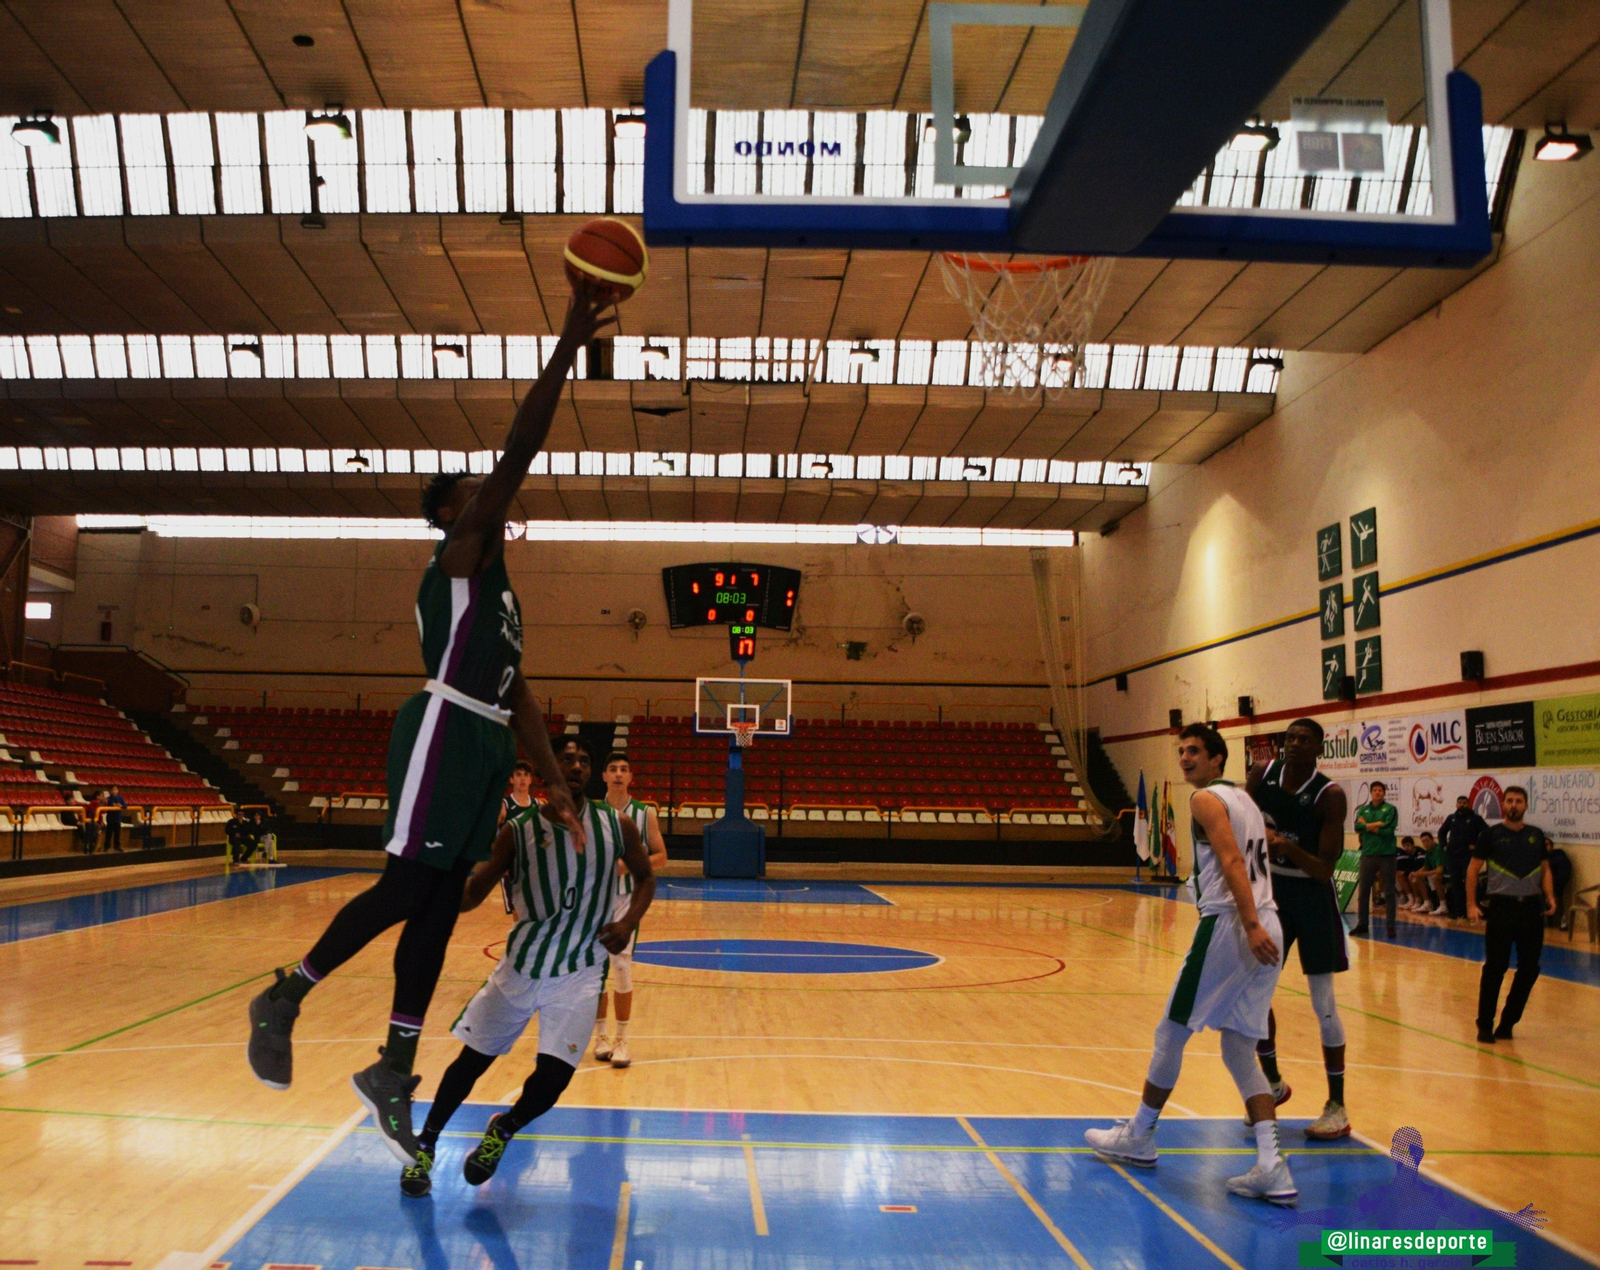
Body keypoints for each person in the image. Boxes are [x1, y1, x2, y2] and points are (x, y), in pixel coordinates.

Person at [246, 276, 621, 1164]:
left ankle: (393, 1067)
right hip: (446, 729)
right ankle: (285, 995)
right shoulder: (456, 559)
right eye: (478, 495)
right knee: (407, 889)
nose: (494, 501)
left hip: (489, 739)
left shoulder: (500, 601)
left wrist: (559, 785)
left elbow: (522, 693)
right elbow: (521, 451)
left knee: (440, 908)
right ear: (454, 515)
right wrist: (569, 341)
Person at [399, 740, 655, 1197]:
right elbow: (476, 893)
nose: (577, 766)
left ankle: (504, 1128)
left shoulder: (616, 825)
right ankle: (427, 1143)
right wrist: (431, 889)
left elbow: (646, 875)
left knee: (553, 1081)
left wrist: (629, 920)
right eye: (567, 759)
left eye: (584, 761)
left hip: (579, 971)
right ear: (544, 771)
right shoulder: (516, 831)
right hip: (521, 967)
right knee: (471, 1063)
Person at [1085, 724, 1296, 1206]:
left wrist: (1248, 925)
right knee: (1241, 1049)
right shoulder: (1245, 801)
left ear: (1218, 759)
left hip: (1232, 926)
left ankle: (1139, 1133)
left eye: (1195, 751)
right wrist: (1260, 924)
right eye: (1180, 751)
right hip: (1269, 922)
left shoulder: (1206, 800)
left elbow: (1231, 862)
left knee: (1171, 1031)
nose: (1185, 758)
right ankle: (1272, 1165)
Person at [1247, 716, 1353, 1141]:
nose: (1293, 744)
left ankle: (1337, 1105)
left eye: (1303, 739)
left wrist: (1287, 845)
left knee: (1323, 1002)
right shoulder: (1261, 775)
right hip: (1272, 896)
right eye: (1289, 737)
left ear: (1318, 749)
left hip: (1312, 900)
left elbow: (1325, 869)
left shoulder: (1329, 796)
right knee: (1255, 994)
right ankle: (1272, 1082)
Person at [593, 752, 670, 1068]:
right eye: (613, 769)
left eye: (624, 770)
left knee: (621, 967)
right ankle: (601, 1036)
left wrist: (629, 866)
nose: (618, 774)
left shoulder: (644, 813)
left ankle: (623, 1040)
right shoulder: (590, 812)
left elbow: (662, 856)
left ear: (631, 778)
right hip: (594, 900)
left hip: (627, 900)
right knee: (595, 971)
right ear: (604, 776)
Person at [1467, 786, 1557, 1043]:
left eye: (1518, 801)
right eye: (1509, 801)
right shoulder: (1491, 835)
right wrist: (1471, 904)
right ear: (1503, 805)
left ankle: (1508, 1023)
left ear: (1526, 805)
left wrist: (1549, 895)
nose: (1513, 805)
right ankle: (1485, 1024)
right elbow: (1473, 870)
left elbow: (1545, 869)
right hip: (1501, 909)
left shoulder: (1536, 835)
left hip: (1531, 910)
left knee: (1529, 969)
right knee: (1495, 968)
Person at [1351, 781, 1398, 938]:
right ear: (1371, 793)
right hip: (1368, 853)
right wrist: (1377, 824)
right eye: (1375, 790)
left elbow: (1388, 830)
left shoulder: (1391, 809)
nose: (1377, 793)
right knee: (1364, 890)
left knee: (1389, 891)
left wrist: (1368, 826)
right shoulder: (1363, 809)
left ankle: (1390, 925)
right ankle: (1362, 924)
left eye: (1380, 790)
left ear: (1384, 793)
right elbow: (1357, 827)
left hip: (1387, 854)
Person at [1439, 795, 1487, 919]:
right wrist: (1444, 845)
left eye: (1464, 802)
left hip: (1468, 856)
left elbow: (1487, 833)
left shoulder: (1475, 818)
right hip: (1453, 856)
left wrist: (1477, 845)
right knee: (1456, 884)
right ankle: (1458, 912)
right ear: (1456, 804)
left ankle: (1472, 911)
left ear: (1468, 804)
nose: (1461, 805)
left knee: (1470, 883)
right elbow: (1441, 832)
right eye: (1459, 802)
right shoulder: (1451, 818)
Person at [1406, 831, 1447, 914]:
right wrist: (1415, 873)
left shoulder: (1438, 849)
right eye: (1423, 841)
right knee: (1415, 876)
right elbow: (1425, 867)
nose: (1425, 843)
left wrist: (1421, 874)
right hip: (1435, 873)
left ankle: (1443, 905)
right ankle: (1426, 902)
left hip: (1447, 873)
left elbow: (1439, 870)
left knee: (1435, 877)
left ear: (1433, 840)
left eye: (1427, 840)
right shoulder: (1428, 851)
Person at [1394, 836, 1423, 908]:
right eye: (1404, 846)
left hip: (1421, 874)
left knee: (1410, 876)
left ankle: (1418, 900)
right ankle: (1410, 899)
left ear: (1413, 844)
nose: (1406, 848)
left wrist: (1405, 872)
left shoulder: (1420, 852)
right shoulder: (1408, 855)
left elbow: (1419, 867)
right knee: (1398, 875)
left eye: (1408, 845)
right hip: (1412, 873)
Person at [103, 786, 127, 851]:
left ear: (118, 790)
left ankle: (117, 846)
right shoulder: (108, 799)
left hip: (117, 818)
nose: (114, 791)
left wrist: (121, 805)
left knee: (117, 834)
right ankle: (107, 847)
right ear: (110, 791)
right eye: (113, 789)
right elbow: (107, 806)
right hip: (110, 818)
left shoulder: (120, 798)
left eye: (115, 789)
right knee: (109, 833)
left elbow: (125, 805)